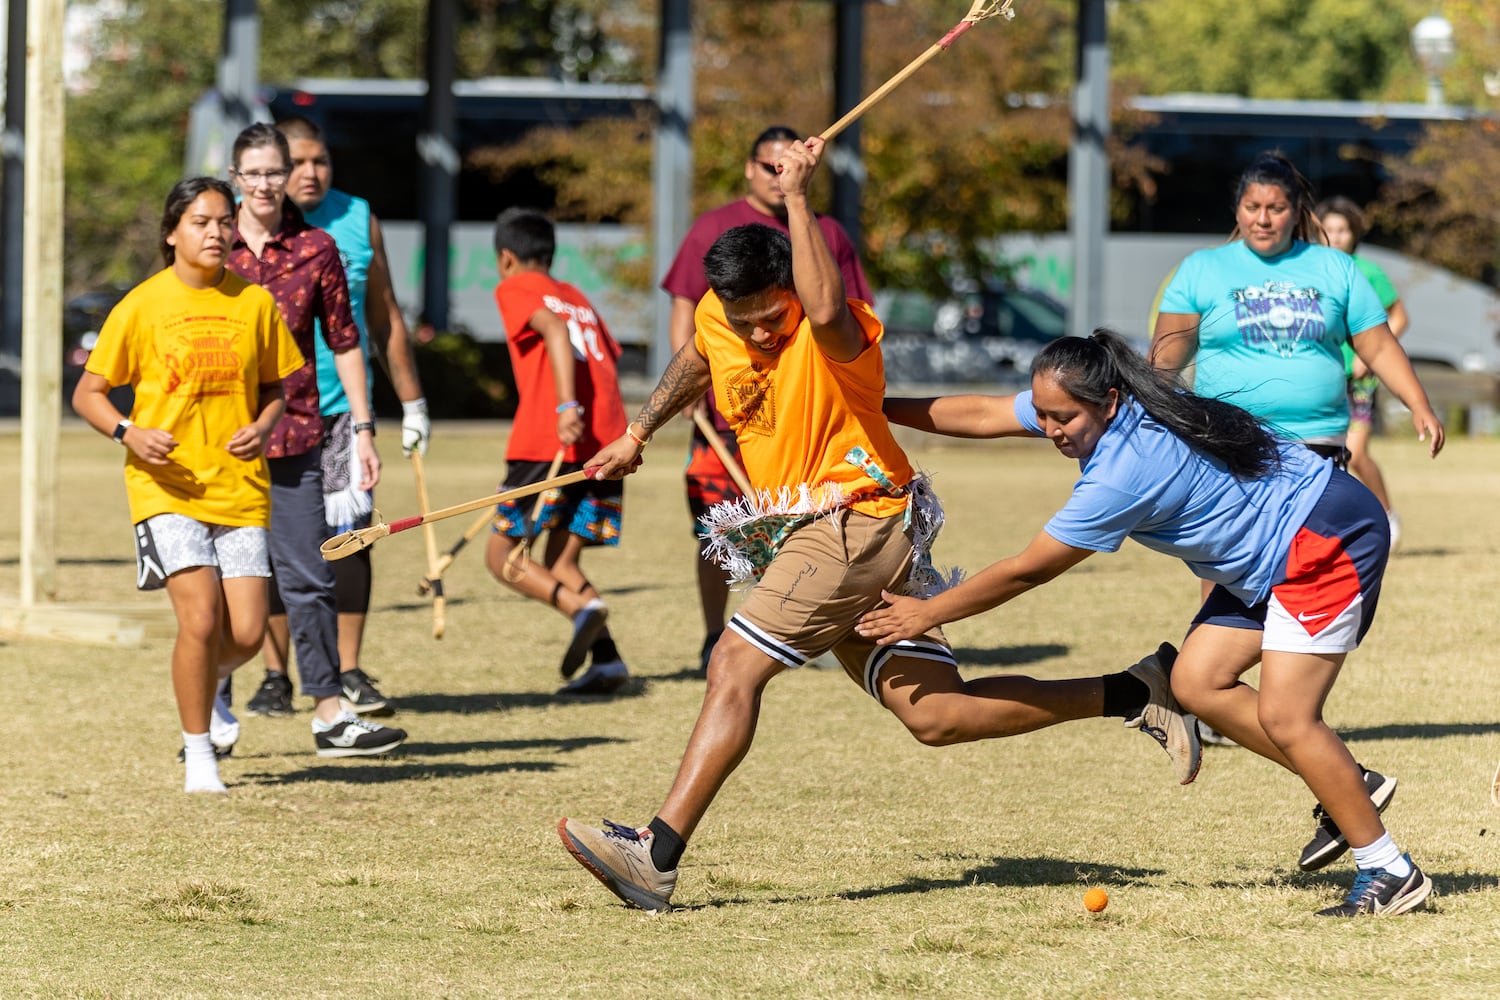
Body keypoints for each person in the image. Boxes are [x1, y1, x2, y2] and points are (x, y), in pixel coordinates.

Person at [556, 138, 1199, 914]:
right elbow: (699, 355)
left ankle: (653, 856)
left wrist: (797, 197)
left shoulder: (836, 332)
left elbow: (820, 307)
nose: (762, 334)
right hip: (809, 532)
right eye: (747, 320)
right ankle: (1137, 690)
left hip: (856, 518)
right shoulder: (727, 325)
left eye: (772, 316)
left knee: (732, 662)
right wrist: (638, 430)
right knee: (938, 715)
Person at [862, 331, 1443, 917]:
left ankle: (1390, 870)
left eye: (1063, 418)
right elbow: (984, 412)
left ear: (1109, 402)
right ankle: (1350, 786)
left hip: (1321, 537)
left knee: (1286, 716)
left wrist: (927, 611)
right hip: (1274, 548)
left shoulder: (1124, 471)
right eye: (1042, 416)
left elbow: (1027, 570)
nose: (1051, 429)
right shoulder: (1098, 403)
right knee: (1195, 683)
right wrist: (873, 405)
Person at [1151, 152, 1416, 749]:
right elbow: (1165, 358)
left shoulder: (1333, 268)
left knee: (1297, 575)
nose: (1263, 219)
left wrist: (1419, 402)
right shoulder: (1202, 269)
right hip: (1227, 446)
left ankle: (1266, 700)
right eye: (1252, 207)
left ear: (1296, 213)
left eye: (1275, 208)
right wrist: (1149, 414)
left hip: (1315, 451)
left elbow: (1375, 342)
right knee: (1222, 566)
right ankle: (1212, 695)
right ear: (1236, 210)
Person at [72, 177, 304, 792]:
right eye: (202, 222)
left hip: (240, 490)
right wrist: (128, 432)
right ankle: (198, 750)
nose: (217, 233)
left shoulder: (253, 303)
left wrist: (261, 425)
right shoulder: (142, 305)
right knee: (200, 622)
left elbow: (278, 389)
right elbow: (88, 394)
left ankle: (206, 682)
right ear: (172, 232)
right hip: (165, 488)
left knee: (249, 634)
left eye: (225, 222)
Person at [660, 124, 874, 672]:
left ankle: (809, 629)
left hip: (807, 421)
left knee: (806, 523)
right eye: (768, 168)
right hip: (727, 414)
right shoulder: (714, 226)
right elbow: (687, 309)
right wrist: (683, 388)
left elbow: (839, 310)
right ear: (749, 169)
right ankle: (715, 634)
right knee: (716, 528)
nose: (779, 178)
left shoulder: (824, 232)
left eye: (788, 168)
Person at [239, 116, 433, 718]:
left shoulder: (355, 217)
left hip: (341, 411)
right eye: (295, 162)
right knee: (268, 546)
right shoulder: (248, 229)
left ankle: (347, 670)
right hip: (264, 413)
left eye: (319, 160)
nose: (309, 173)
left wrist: (411, 402)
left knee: (349, 541)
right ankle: (276, 674)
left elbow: (384, 315)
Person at [487, 207, 632, 695]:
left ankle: (580, 611)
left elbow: (551, 329)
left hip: (551, 439)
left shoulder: (516, 288)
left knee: (503, 557)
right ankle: (608, 662)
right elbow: (607, 358)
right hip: (607, 445)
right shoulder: (579, 297)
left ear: (507, 258)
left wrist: (565, 405)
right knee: (563, 562)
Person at [1317, 195, 1409, 549]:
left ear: (1354, 233)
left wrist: (1369, 358)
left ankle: (1387, 514)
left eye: (1343, 230)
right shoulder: (1311, 270)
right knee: (1325, 456)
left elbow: (1399, 317)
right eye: (1329, 230)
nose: (1336, 237)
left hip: (1358, 380)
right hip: (1323, 376)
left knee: (1355, 452)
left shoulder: (1368, 271)